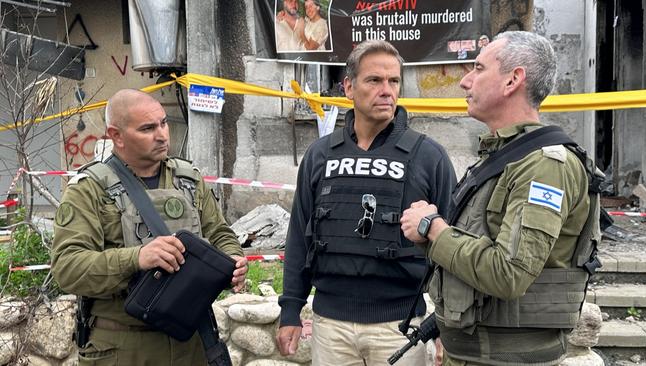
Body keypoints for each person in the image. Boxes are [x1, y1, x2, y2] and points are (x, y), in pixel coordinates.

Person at [401, 31, 595, 365]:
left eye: (478, 68)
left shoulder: (544, 166)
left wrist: (433, 228)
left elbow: (508, 273)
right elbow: (473, 250)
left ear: (512, 80)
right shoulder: (500, 157)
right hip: (473, 353)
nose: (466, 82)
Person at [276, 39, 457, 365]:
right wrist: (290, 309)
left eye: (394, 81)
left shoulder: (428, 157)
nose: (386, 90)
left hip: (399, 327)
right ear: (348, 86)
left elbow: (454, 243)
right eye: (374, 80)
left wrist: (446, 321)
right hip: (331, 326)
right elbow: (299, 238)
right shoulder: (320, 155)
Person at [51, 89, 248, 365]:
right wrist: (138, 258)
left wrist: (234, 260)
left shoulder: (188, 180)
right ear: (116, 135)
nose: (162, 135)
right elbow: (67, 268)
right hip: (124, 346)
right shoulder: (89, 190)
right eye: (148, 128)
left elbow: (219, 233)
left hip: (190, 340)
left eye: (163, 123)